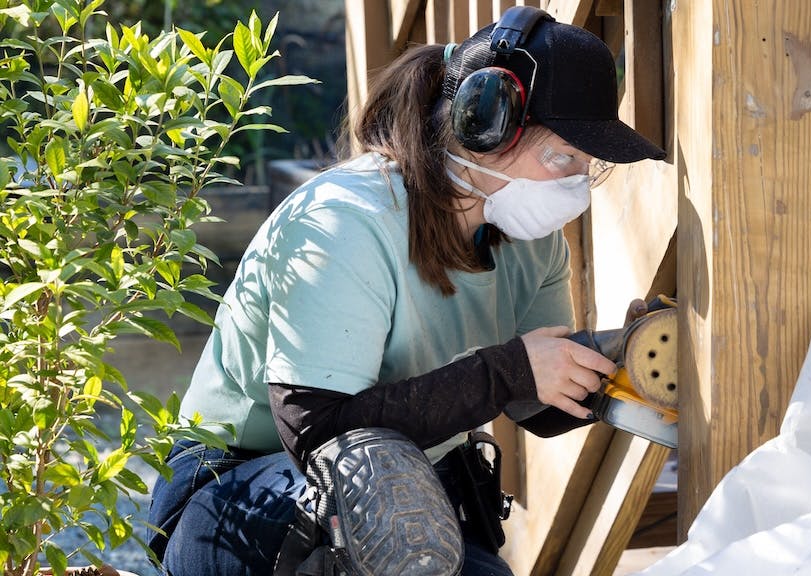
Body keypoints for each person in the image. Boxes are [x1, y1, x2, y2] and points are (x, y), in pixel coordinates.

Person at [147, 6, 666, 575]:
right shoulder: (343, 223)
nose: (574, 184)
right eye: (563, 156)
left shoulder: (531, 240)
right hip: (241, 491)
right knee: (383, 511)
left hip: (401, 497)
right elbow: (314, 431)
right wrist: (506, 371)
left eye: (585, 166)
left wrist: (623, 365)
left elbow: (535, 404)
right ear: (483, 123)